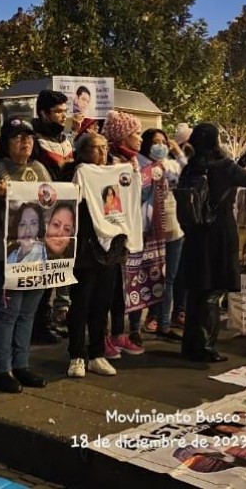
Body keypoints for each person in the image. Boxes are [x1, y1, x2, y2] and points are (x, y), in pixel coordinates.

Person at [178, 126, 246, 363]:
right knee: (212, 291)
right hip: (219, 232)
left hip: (195, 234)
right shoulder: (224, 167)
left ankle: (190, 344)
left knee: (196, 291)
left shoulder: (191, 166)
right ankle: (206, 346)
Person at [0, 117, 52, 393]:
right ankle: (3, 368)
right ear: (6, 143)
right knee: (8, 312)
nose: (25, 141)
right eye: (17, 137)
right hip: (4, 256)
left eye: (28, 137)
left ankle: (22, 364)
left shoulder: (40, 170)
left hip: (36, 256)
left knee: (28, 312)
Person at [66, 133, 120, 378]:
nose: (102, 152)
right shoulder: (81, 173)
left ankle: (97, 353)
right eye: (96, 148)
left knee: (102, 304)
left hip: (110, 248)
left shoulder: (115, 173)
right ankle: (77, 355)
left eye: (104, 147)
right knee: (82, 303)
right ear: (84, 151)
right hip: (87, 248)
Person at [30, 90, 74, 345]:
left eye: (64, 111)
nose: (62, 116)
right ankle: (37, 323)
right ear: (44, 113)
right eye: (57, 111)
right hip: (40, 212)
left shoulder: (65, 140)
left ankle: (47, 321)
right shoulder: (33, 140)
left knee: (54, 270)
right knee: (39, 272)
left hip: (62, 213)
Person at [101, 109, 146, 356]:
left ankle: (119, 333)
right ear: (122, 136)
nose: (140, 138)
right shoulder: (110, 162)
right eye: (135, 133)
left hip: (127, 235)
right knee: (107, 291)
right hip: (111, 236)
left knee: (122, 290)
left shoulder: (133, 161)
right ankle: (103, 337)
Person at [138, 128, 186, 341]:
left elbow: (187, 170)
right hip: (148, 230)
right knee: (146, 277)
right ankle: (140, 324)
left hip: (173, 228)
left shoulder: (170, 165)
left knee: (169, 278)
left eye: (163, 142)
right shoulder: (138, 165)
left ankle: (163, 323)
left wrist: (178, 153)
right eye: (155, 142)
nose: (160, 145)